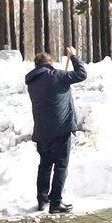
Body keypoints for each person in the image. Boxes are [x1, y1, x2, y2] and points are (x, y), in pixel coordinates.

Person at [26, 47, 87, 213]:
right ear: (50, 64)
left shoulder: (32, 82)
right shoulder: (56, 76)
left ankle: (42, 199)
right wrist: (74, 57)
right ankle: (55, 202)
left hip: (41, 130)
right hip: (60, 128)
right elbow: (81, 74)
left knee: (45, 166)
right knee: (61, 165)